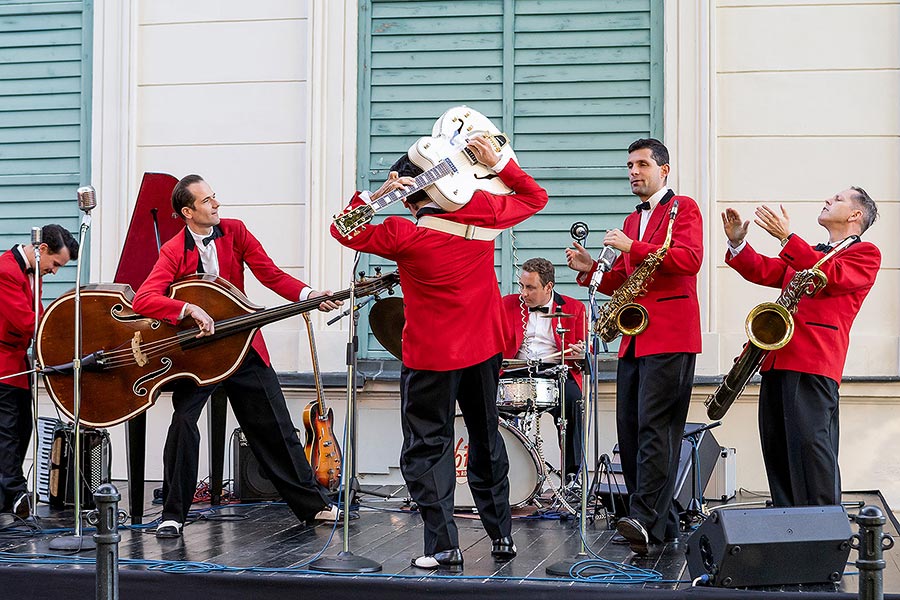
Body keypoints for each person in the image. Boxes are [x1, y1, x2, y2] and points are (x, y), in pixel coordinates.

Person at [331, 136, 548, 570]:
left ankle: (443, 545)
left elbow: (342, 228)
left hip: (432, 356)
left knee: (428, 448)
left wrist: (376, 197)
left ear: (408, 193)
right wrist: (499, 163)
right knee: (487, 438)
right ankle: (502, 535)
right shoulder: (482, 211)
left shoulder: (401, 233)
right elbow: (535, 196)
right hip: (484, 348)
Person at [133, 174, 342, 538]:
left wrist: (309, 294)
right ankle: (172, 514)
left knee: (275, 426)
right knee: (183, 424)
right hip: (200, 357)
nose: (216, 204)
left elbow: (271, 274)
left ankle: (315, 506)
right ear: (187, 211)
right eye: (207, 201)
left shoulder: (235, 231)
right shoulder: (172, 249)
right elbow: (144, 298)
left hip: (243, 346)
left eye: (215, 197)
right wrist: (186, 309)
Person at [565, 138, 703, 555]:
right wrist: (592, 270)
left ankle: (644, 518)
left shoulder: (685, 208)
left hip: (671, 334)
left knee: (656, 431)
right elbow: (624, 282)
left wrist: (634, 248)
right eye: (629, 165)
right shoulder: (630, 219)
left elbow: (689, 259)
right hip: (633, 339)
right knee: (630, 430)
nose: (633, 172)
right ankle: (665, 525)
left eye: (642, 164)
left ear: (664, 170)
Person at [722, 188, 880, 507]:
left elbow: (829, 276)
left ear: (855, 215)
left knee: (812, 451)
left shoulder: (866, 254)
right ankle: (789, 529)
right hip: (776, 359)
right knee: (778, 452)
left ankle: (823, 533)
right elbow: (764, 270)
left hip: (814, 362)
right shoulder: (808, 252)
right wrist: (738, 243)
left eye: (837, 199)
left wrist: (786, 238)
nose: (827, 200)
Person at [0, 224, 79, 519]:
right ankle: (16, 494)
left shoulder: (33, 269)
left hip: (17, 361)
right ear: (42, 249)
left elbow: (37, 315)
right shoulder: (6, 270)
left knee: (22, 428)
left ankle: (7, 498)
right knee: (8, 431)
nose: (55, 271)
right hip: (3, 362)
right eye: (56, 264)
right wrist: (63, 331)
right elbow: (25, 321)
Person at [500, 257, 586, 483]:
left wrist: (579, 353)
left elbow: (581, 358)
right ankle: (503, 476)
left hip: (556, 371)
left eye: (530, 287)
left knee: (574, 400)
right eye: (521, 286)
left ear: (548, 287)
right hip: (515, 370)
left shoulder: (575, 308)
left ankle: (572, 476)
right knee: (488, 405)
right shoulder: (507, 304)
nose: (524, 293)